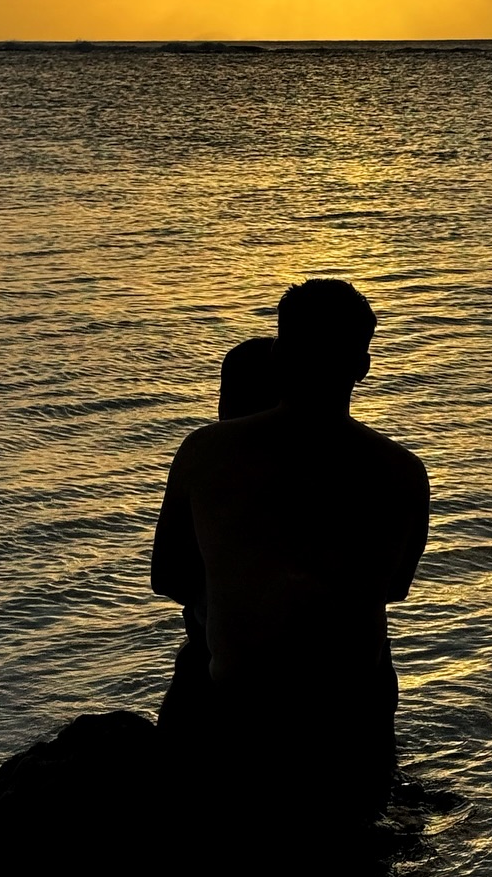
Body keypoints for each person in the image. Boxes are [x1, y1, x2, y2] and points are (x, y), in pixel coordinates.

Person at [153, 281, 429, 827]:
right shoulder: (403, 471)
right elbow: (393, 588)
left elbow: (168, 575)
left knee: (202, 644)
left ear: (278, 356)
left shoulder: (206, 451)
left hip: (235, 709)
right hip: (345, 716)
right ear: (363, 366)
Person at [153, 335, 281, 736]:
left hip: (225, 673)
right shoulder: (356, 462)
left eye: (225, 392)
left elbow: (166, 576)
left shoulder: (205, 458)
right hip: (339, 677)